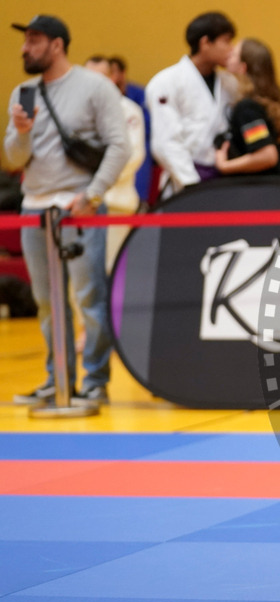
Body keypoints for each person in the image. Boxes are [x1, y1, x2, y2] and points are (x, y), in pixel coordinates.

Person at [5, 15, 130, 404]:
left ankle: (94, 381)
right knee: (46, 301)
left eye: (34, 40)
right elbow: (12, 159)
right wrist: (21, 133)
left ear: (57, 45)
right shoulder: (23, 92)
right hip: (35, 208)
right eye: (25, 40)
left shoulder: (95, 87)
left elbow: (119, 146)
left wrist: (92, 195)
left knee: (89, 297)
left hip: (79, 207)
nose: (25, 48)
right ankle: (56, 377)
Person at [146, 12, 237, 198]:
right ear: (205, 43)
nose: (231, 49)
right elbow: (165, 142)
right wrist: (190, 184)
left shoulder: (231, 83)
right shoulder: (166, 82)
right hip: (185, 182)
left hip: (225, 179)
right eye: (226, 41)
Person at [82, 56, 145, 270]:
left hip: (116, 203)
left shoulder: (129, 110)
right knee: (83, 273)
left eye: (99, 77)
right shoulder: (80, 110)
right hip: (82, 205)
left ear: (112, 78)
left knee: (110, 268)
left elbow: (132, 157)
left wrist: (98, 183)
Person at [215, 38, 280, 176]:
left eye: (233, 54)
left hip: (261, 191)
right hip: (279, 189)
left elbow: (267, 156)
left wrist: (225, 166)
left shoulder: (247, 108)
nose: (228, 55)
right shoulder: (268, 102)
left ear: (242, 67)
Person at [107, 55, 152, 209]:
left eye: (113, 72)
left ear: (122, 73)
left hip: (137, 152)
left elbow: (149, 124)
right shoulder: (96, 102)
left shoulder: (136, 97)